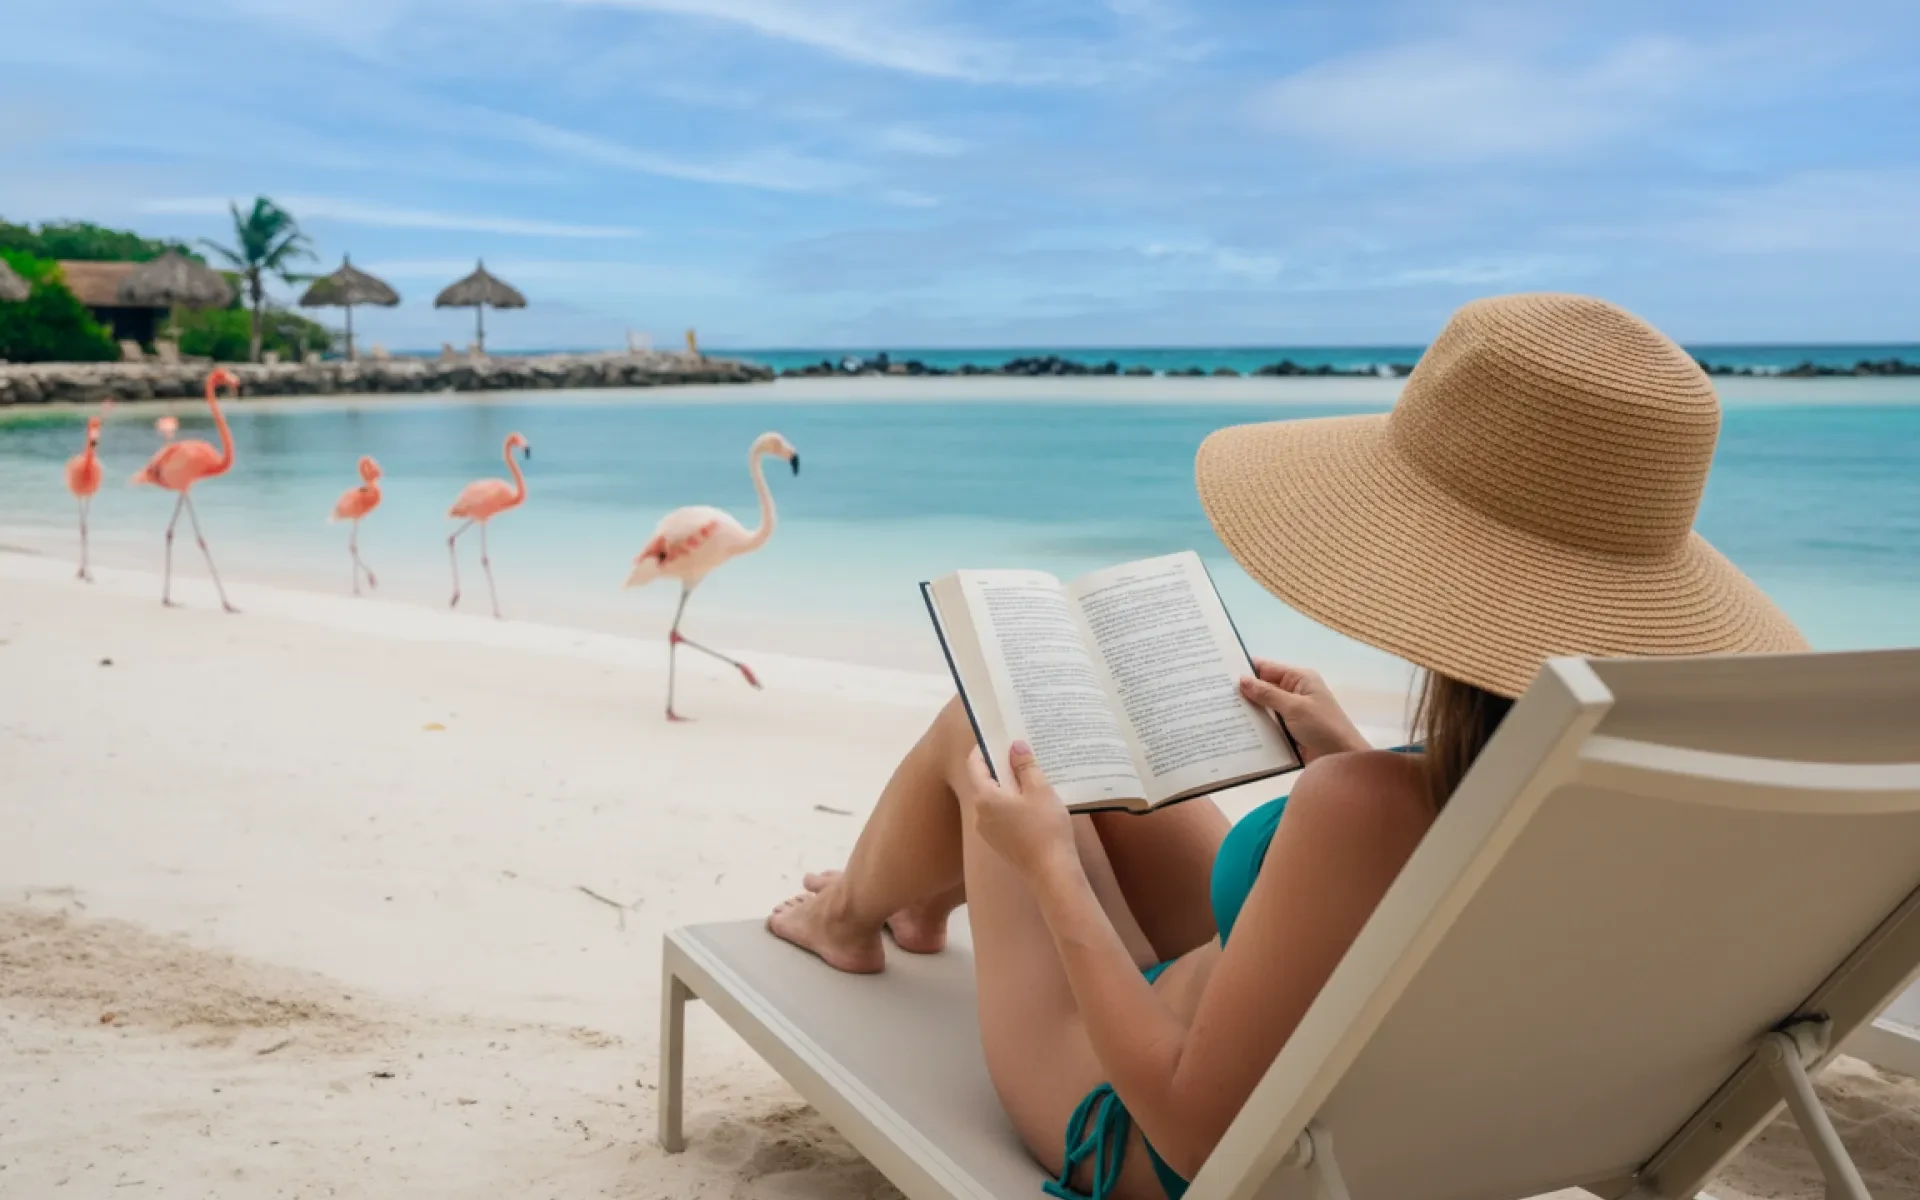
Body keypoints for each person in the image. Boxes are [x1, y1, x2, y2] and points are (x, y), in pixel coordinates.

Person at [767, 293, 1807, 1200]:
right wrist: (1353, 752)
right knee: (1074, 732)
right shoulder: (1633, 804)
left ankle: (851, 917)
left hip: (1148, 1129)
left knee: (993, 732)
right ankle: (916, 898)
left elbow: (1191, 1126)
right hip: (1360, 1102)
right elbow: (1436, 888)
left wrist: (1048, 871)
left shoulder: (1362, 809)